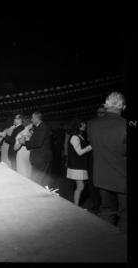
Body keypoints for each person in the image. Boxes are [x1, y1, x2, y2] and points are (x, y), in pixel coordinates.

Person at [87, 92, 127, 232]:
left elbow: (96, 147)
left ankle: (106, 247)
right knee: (125, 216)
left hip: (102, 177)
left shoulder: (91, 125)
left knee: (107, 212)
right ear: (123, 106)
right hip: (123, 179)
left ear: (106, 105)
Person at [19, 111, 53, 187]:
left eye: (32, 118)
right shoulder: (39, 127)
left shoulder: (43, 127)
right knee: (36, 180)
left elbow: (38, 143)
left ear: (37, 118)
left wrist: (25, 142)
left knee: (38, 180)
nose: (31, 120)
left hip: (41, 159)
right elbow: (35, 141)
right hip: (38, 159)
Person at [66, 119, 92, 206]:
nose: (85, 125)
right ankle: (76, 207)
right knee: (81, 186)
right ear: (78, 125)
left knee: (80, 186)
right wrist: (91, 146)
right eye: (83, 123)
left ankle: (76, 206)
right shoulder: (74, 137)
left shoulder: (79, 136)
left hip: (79, 165)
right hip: (76, 166)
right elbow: (80, 152)